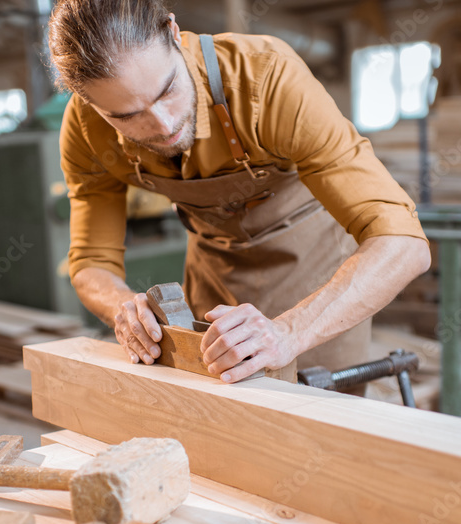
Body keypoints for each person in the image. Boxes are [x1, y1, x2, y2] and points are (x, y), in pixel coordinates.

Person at [49, 0, 431, 384]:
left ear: (172, 32)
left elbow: (403, 243)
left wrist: (290, 331)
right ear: (86, 101)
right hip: (214, 277)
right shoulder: (85, 131)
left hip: (315, 276)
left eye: (167, 90)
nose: (163, 125)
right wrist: (124, 310)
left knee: (319, 423)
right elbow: (91, 262)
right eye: (128, 116)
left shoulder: (268, 80)